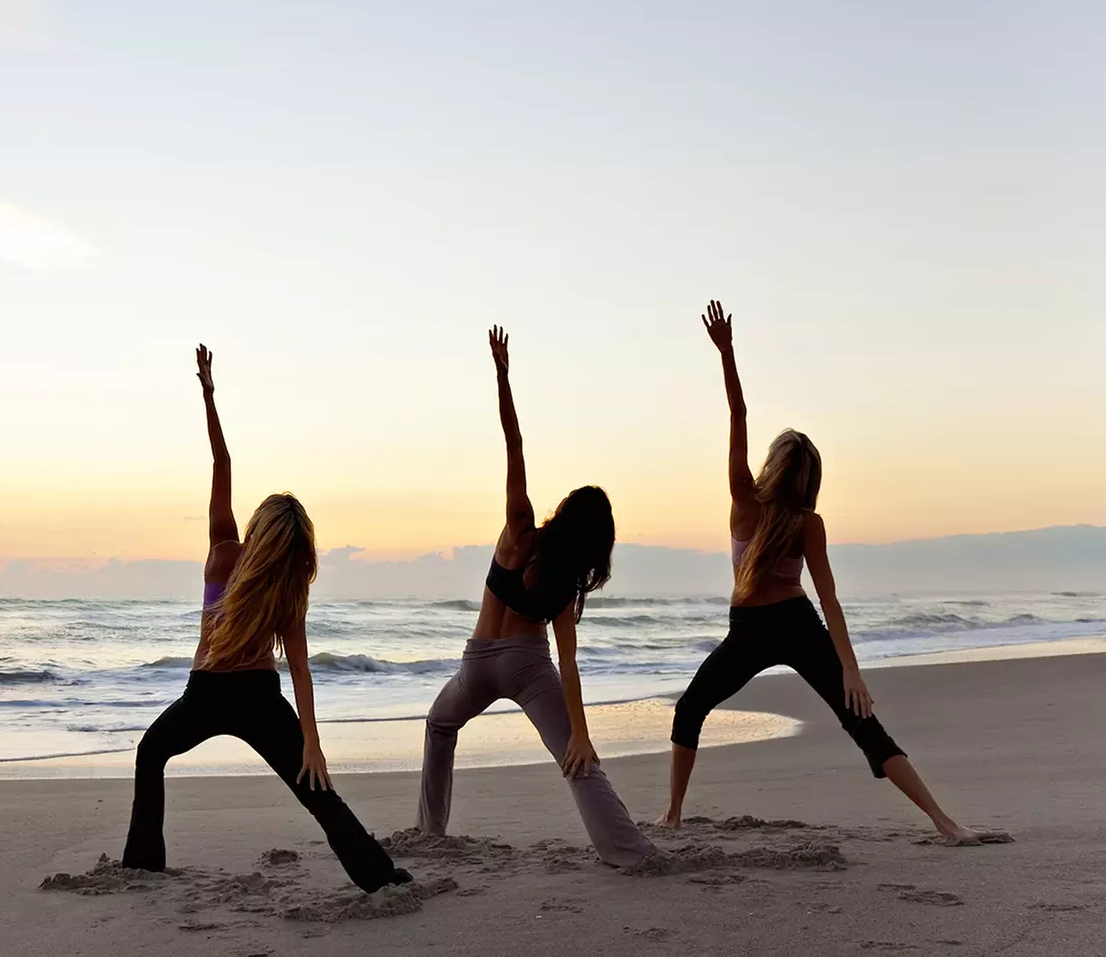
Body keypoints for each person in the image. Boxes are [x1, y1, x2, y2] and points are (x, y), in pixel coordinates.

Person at [657, 300, 988, 843]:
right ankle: (946, 824)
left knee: (690, 708)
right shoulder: (809, 522)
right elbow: (829, 601)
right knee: (862, 724)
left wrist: (727, 354)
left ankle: (672, 814)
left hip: (752, 630)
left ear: (773, 466)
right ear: (809, 479)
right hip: (798, 621)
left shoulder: (746, 501)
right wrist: (849, 670)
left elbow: (737, 417)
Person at [121, 345, 412, 893]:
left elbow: (221, 464)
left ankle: (142, 869)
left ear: (257, 529)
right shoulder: (285, 586)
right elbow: (300, 673)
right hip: (254, 697)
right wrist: (312, 742)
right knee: (315, 788)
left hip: (206, 694)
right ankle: (380, 876)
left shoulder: (225, 553)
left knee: (150, 753)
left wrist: (209, 395)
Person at [417, 327, 658, 868]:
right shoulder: (568, 577)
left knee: (439, 725)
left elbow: (514, 444)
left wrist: (503, 376)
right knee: (577, 762)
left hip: (477, 664)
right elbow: (568, 662)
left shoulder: (519, 530)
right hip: (528, 667)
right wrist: (581, 732)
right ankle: (629, 852)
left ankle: (430, 831)